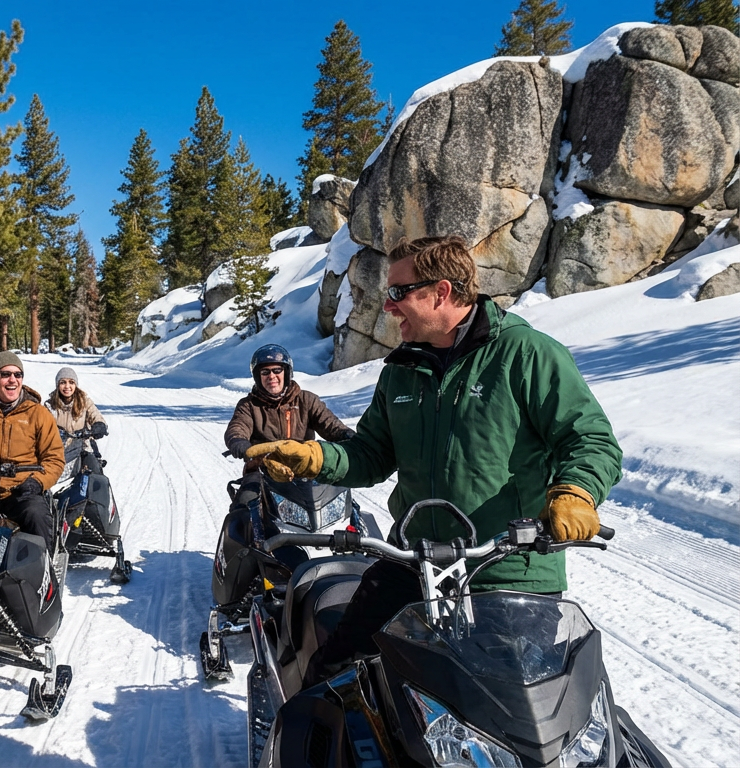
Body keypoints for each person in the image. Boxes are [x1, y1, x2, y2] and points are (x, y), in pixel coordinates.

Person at [248, 236, 622, 685]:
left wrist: (576, 492)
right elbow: (370, 456)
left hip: (506, 572)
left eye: (398, 292)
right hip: (412, 560)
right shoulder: (401, 369)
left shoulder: (525, 355)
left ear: (440, 292)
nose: (388, 307)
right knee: (334, 676)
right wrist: (314, 457)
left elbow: (591, 439)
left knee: (507, 716)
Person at [223, 344, 354, 517]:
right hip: (264, 471)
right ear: (257, 376)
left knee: (344, 503)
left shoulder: (306, 400)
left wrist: (349, 437)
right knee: (243, 508)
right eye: (265, 372)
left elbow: (331, 425)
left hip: (307, 468)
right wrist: (240, 444)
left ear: (286, 372)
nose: (272, 376)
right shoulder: (248, 406)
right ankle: (240, 543)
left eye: (277, 370)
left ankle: (357, 538)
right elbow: (237, 428)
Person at [0, 351, 66, 550]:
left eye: (18, 374)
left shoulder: (38, 414)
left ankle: (44, 570)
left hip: (23, 489)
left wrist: (37, 482)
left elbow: (54, 459)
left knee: (36, 515)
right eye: (5, 374)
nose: (12, 380)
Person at [46, 366, 108, 471]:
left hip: (82, 448)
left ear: (76, 385)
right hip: (57, 452)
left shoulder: (85, 402)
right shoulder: (50, 406)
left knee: (95, 474)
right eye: (63, 382)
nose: (67, 386)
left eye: (71, 382)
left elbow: (95, 414)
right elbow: (41, 424)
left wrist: (99, 425)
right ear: (57, 385)